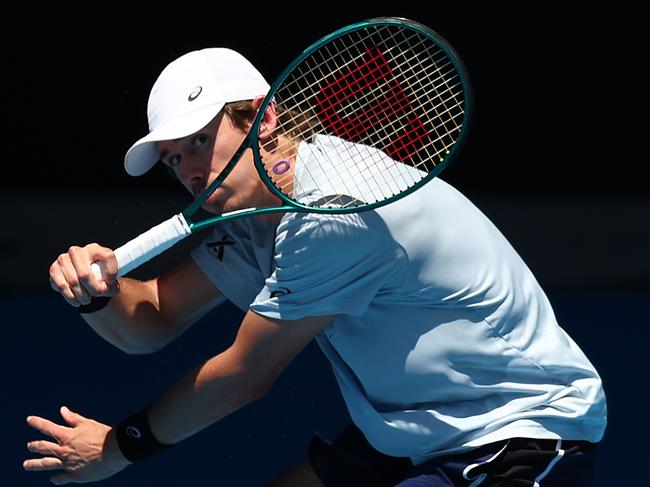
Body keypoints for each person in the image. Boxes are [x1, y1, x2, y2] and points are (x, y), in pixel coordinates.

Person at [25, 47, 607, 486]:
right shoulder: (249, 218)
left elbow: (244, 376)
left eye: (199, 142)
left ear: (264, 118)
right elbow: (151, 320)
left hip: (517, 429)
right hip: (409, 431)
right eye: (174, 159)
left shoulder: (333, 211)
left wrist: (118, 448)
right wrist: (98, 293)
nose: (190, 171)